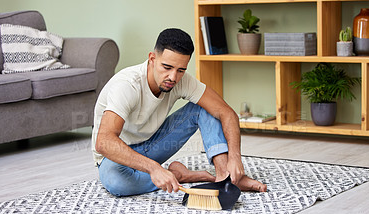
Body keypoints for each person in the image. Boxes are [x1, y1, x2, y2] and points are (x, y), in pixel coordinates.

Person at [91, 28, 267, 197]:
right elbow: (104, 142)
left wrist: (235, 157)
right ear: (152, 58)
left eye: (181, 70)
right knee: (117, 183)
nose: (173, 77)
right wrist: (154, 168)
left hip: (151, 145)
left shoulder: (181, 80)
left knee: (204, 108)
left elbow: (227, 113)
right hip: (115, 156)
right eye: (167, 67)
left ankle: (225, 177)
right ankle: (179, 175)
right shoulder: (127, 85)